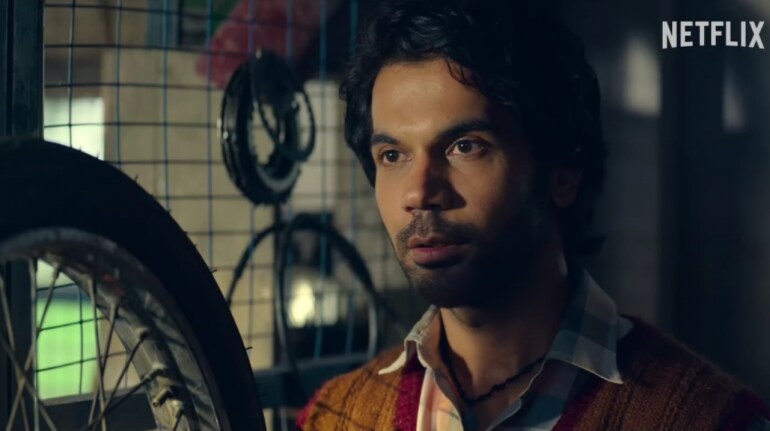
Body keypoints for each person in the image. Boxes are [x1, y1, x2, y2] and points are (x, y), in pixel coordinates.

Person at [296, 0, 770, 429]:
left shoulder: (705, 419)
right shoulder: (336, 418)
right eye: (393, 155)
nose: (418, 192)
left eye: (465, 147)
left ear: (562, 173)